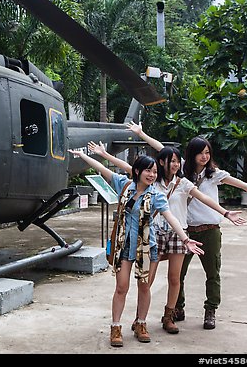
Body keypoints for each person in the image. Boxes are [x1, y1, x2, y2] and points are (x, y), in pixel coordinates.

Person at [86, 140, 246, 335]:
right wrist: (100, 154)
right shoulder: (152, 182)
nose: (176, 164)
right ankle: (138, 320)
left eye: (178, 161)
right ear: (161, 163)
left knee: (174, 278)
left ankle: (168, 316)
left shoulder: (181, 183)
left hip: (176, 234)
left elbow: (204, 199)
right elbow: (125, 168)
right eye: (172, 161)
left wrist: (225, 213)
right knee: (145, 281)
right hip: (153, 235)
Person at [127, 121, 247, 330]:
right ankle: (176, 309)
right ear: (191, 154)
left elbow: (243, 185)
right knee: (178, 275)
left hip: (210, 230)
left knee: (212, 273)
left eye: (207, 152)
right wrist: (142, 133)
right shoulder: (182, 173)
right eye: (200, 153)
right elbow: (162, 150)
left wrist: (239, 205)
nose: (204, 157)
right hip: (186, 231)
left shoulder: (215, 175)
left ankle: (210, 310)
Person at [68, 148, 204, 347]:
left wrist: (185, 239)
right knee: (121, 287)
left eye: (155, 172)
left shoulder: (157, 196)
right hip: (124, 247)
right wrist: (83, 156)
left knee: (144, 287)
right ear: (138, 171)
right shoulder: (124, 186)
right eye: (148, 171)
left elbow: (171, 217)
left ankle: (141, 324)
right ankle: (116, 327)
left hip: (147, 248)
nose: (152, 175)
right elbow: (102, 169)